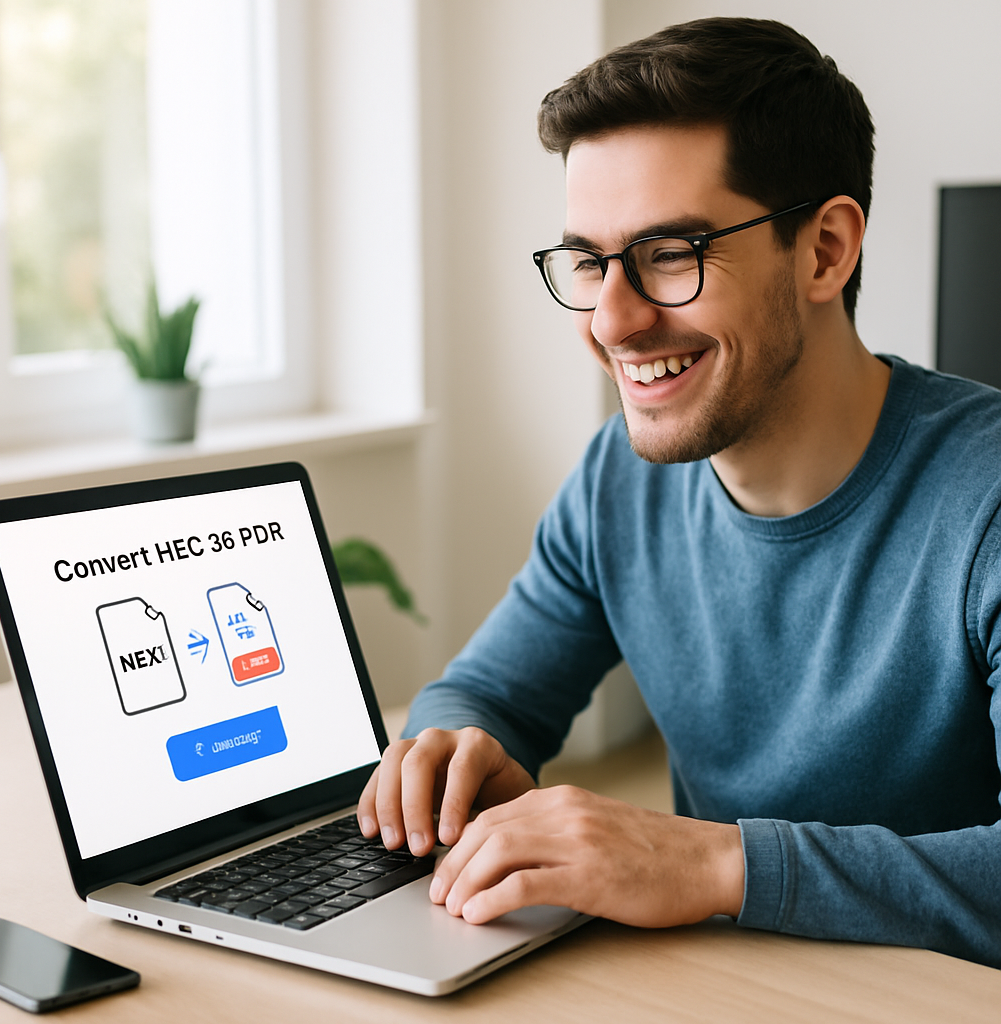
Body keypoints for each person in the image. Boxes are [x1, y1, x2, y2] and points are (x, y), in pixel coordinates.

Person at [358, 17, 1001, 967]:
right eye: (588, 261)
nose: (612, 321)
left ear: (825, 250)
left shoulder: (983, 500)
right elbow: (492, 689)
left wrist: (713, 865)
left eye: (669, 254)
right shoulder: (616, 479)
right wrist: (455, 747)